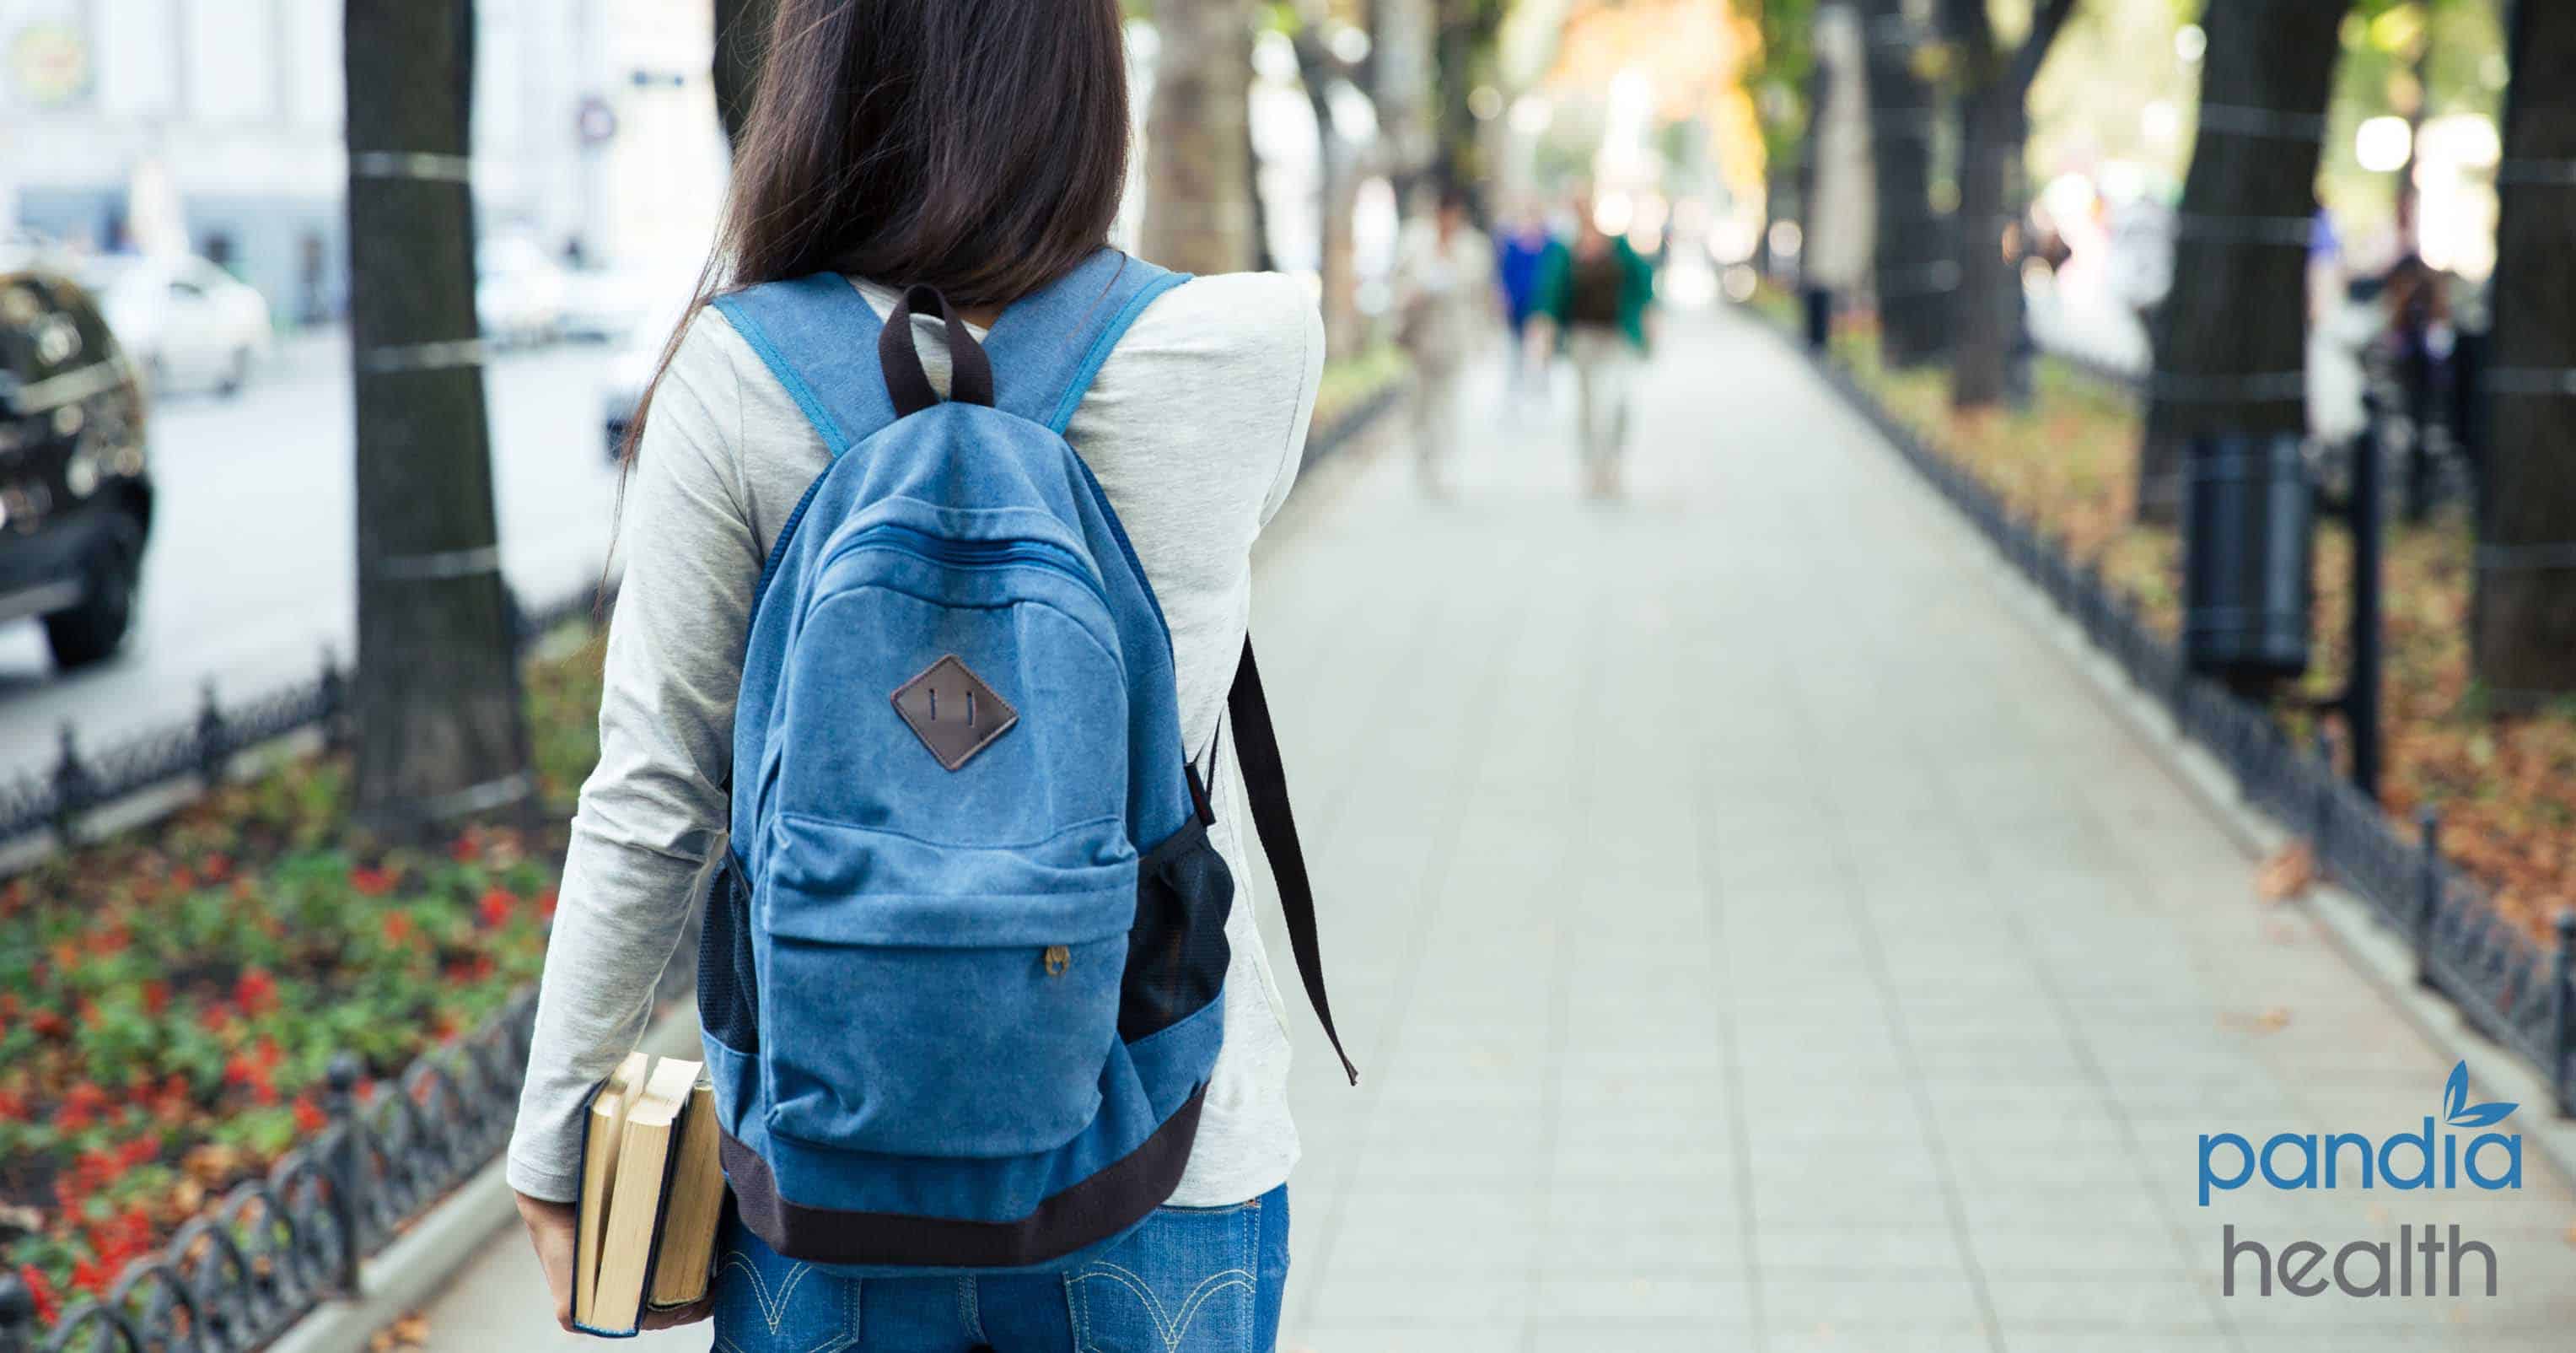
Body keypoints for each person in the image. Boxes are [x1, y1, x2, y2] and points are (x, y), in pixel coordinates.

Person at [503, 1, 1325, 1348]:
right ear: (1082, 83)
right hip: (1161, 1157)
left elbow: (655, 791)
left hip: (827, 1172)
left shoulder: (734, 369)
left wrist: (555, 1141)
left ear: (820, 82)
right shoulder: (1249, 345)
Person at [1531, 199, 1656, 498]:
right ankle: (1592, 468)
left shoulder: (1621, 250)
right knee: (1588, 408)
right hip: (1583, 338)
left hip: (1617, 338)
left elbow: (1645, 290)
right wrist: (1545, 336)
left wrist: (1651, 331)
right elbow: (1551, 296)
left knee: (1618, 403)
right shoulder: (1567, 253)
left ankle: (1612, 463)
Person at [1393, 187, 1495, 493]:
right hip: (1419, 336)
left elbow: (1478, 289)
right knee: (1420, 404)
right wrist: (1412, 293)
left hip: (1454, 336)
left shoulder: (1473, 247)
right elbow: (1399, 281)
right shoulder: (1414, 241)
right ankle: (1424, 458)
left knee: (1449, 403)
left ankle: (1445, 465)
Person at [1493, 201, 1560, 396]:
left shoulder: (1551, 245)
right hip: (1518, 308)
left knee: (1542, 354)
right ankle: (1514, 396)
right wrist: (1503, 299)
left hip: (1541, 308)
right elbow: (1505, 274)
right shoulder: (1513, 244)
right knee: (1515, 355)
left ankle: (1542, 392)